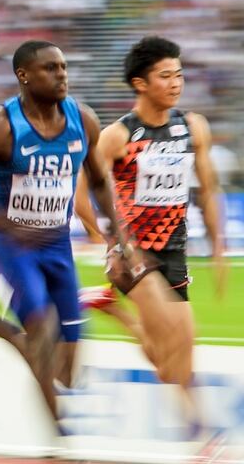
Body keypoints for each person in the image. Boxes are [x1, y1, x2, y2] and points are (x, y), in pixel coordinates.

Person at [0, 40, 132, 432]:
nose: (61, 75)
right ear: (23, 75)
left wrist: (118, 238)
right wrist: (6, 225)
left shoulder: (82, 119)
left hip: (56, 245)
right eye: (50, 68)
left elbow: (101, 182)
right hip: (12, 246)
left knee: (65, 373)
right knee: (40, 333)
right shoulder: (0, 127)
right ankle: (60, 440)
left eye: (64, 67)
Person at [75, 36, 229, 439]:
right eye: (165, 76)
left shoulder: (192, 127)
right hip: (134, 252)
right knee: (171, 351)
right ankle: (202, 430)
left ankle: (113, 311)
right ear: (140, 83)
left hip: (174, 250)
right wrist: (109, 242)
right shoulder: (118, 136)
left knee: (176, 357)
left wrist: (217, 246)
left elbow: (208, 190)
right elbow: (80, 195)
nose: (176, 83)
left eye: (179, 74)